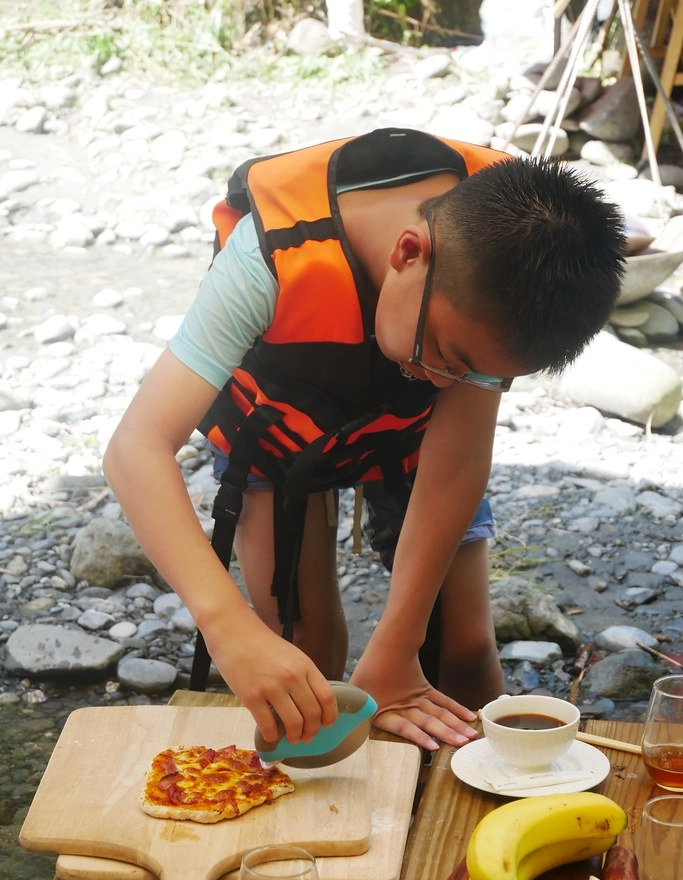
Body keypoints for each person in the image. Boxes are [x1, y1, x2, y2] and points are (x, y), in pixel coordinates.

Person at [103, 127, 625, 753]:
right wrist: (226, 627)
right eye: (446, 357)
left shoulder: (521, 272)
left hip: (410, 439)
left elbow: (456, 459)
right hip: (283, 430)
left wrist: (397, 651)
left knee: (461, 645)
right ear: (409, 252)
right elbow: (136, 447)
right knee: (301, 652)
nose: (446, 382)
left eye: (479, 376)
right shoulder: (267, 255)